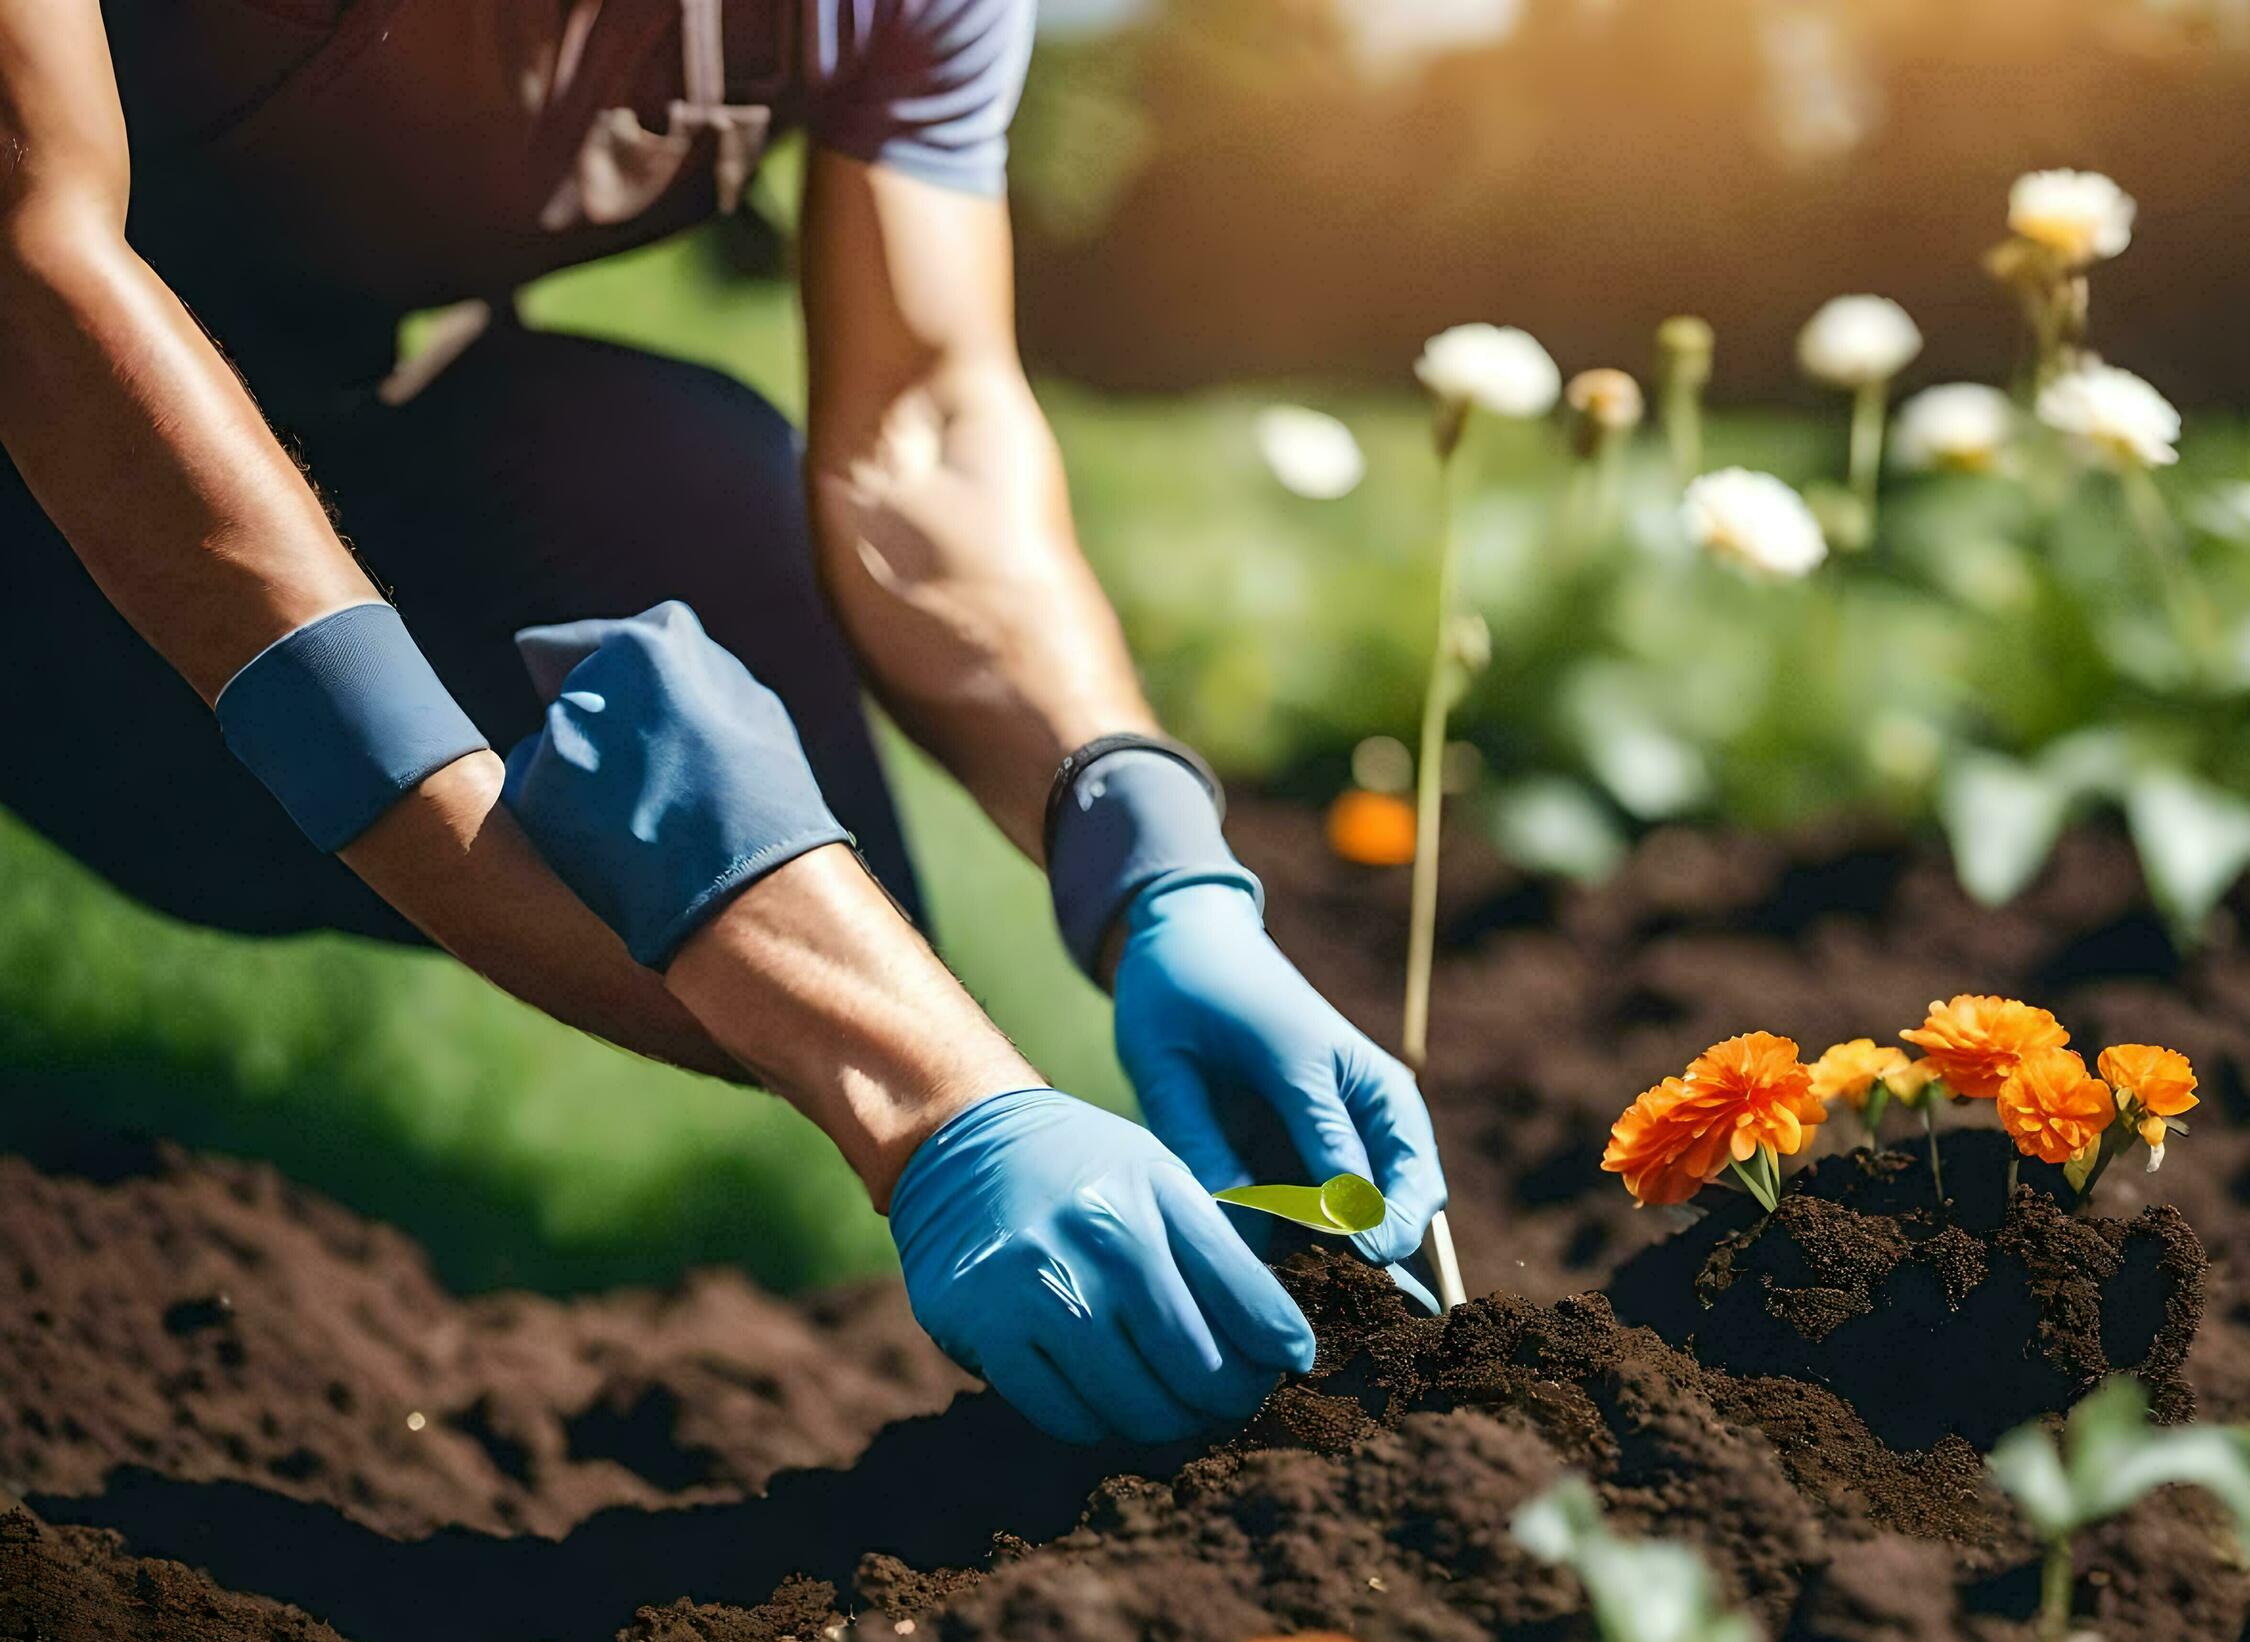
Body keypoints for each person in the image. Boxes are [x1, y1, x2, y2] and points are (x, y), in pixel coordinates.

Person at [0, 0, 1448, 1445]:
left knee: (661, 490)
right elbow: (38, 270)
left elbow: (923, 429)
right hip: (46, 445)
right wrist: (901, 1079)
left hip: (292, 400)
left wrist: (1155, 864)